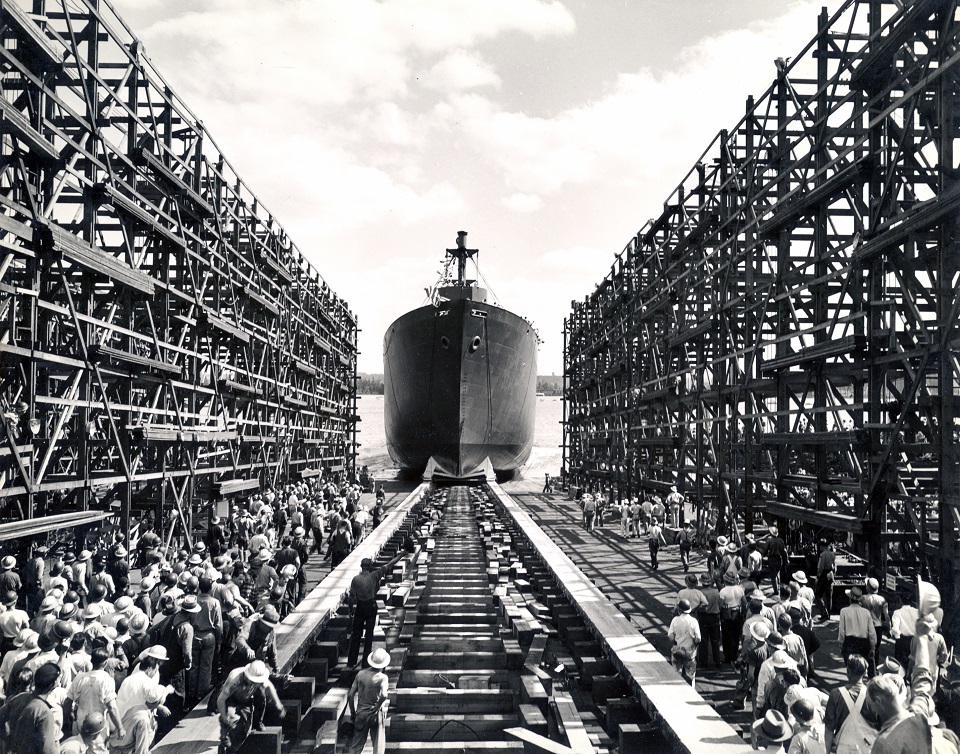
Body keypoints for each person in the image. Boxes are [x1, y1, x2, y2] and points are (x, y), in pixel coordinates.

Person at [347, 552, 406, 669]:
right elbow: (390, 564)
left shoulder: (355, 579)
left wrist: (350, 610)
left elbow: (351, 597)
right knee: (369, 635)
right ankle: (365, 663)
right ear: (369, 566)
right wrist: (402, 554)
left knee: (356, 635)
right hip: (371, 607)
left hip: (360, 607)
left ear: (361, 566)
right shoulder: (374, 575)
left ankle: (351, 661)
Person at [217, 660, 285, 754]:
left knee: (245, 730)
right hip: (230, 700)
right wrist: (225, 717)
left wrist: (278, 703)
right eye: (252, 681)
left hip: (245, 699)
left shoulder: (259, 677)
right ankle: (224, 744)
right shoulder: (234, 679)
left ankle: (234, 748)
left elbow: (270, 687)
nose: (254, 683)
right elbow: (221, 700)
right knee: (228, 726)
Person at [0, 662, 62, 754]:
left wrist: (7, 738)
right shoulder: (45, 712)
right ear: (52, 684)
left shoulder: (19, 698)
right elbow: (47, 750)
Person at [345, 648, 391, 754]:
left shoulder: (360, 674)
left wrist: (352, 712)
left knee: (356, 745)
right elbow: (384, 695)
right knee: (378, 746)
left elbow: (350, 695)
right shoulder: (383, 678)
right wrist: (377, 706)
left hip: (361, 713)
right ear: (384, 664)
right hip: (375, 714)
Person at [823, 654, 871, 754]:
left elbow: (829, 728)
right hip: (867, 748)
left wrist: (827, 752)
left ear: (848, 671)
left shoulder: (835, 694)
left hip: (843, 748)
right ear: (865, 672)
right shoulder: (872, 695)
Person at [838, 586, 876, 677]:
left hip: (849, 642)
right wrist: (872, 647)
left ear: (849, 599)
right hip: (863, 643)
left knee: (851, 669)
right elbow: (872, 632)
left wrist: (841, 644)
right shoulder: (866, 612)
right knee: (863, 667)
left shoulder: (844, 611)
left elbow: (842, 631)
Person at [668, 599, 700, 690]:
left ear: (679, 610)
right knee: (690, 675)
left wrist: (675, 642)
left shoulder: (675, 620)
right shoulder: (694, 621)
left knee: (676, 674)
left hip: (678, 649)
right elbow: (698, 638)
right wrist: (694, 645)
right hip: (690, 651)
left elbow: (670, 635)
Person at [860, 577, 890, 670]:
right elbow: (887, 616)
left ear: (868, 587)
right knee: (876, 649)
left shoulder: (863, 598)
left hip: (866, 626)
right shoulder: (882, 599)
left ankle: (865, 668)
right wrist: (889, 629)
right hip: (878, 627)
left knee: (865, 648)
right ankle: (874, 668)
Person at [814, 539, 836, 621]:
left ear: (823, 546)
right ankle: (829, 614)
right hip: (830, 574)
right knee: (829, 595)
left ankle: (824, 612)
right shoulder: (832, 554)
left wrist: (818, 576)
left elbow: (821, 567)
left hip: (824, 575)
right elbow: (834, 566)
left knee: (818, 595)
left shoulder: (823, 555)